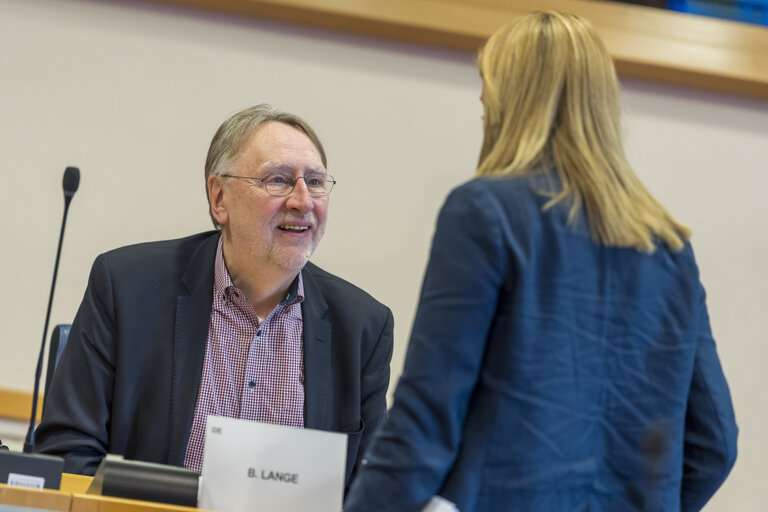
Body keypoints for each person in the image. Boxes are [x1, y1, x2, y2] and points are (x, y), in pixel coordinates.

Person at [344, 11, 737, 512]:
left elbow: (425, 423)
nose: (484, 111)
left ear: (510, 104)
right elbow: (715, 443)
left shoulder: (482, 212)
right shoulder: (669, 247)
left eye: (487, 99)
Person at [35, 104, 394, 489]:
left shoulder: (361, 327)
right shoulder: (127, 288)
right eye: (278, 179)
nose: (303, 201)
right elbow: (68, 453)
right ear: (219, 197)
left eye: (317, 182)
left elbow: (369, 491)